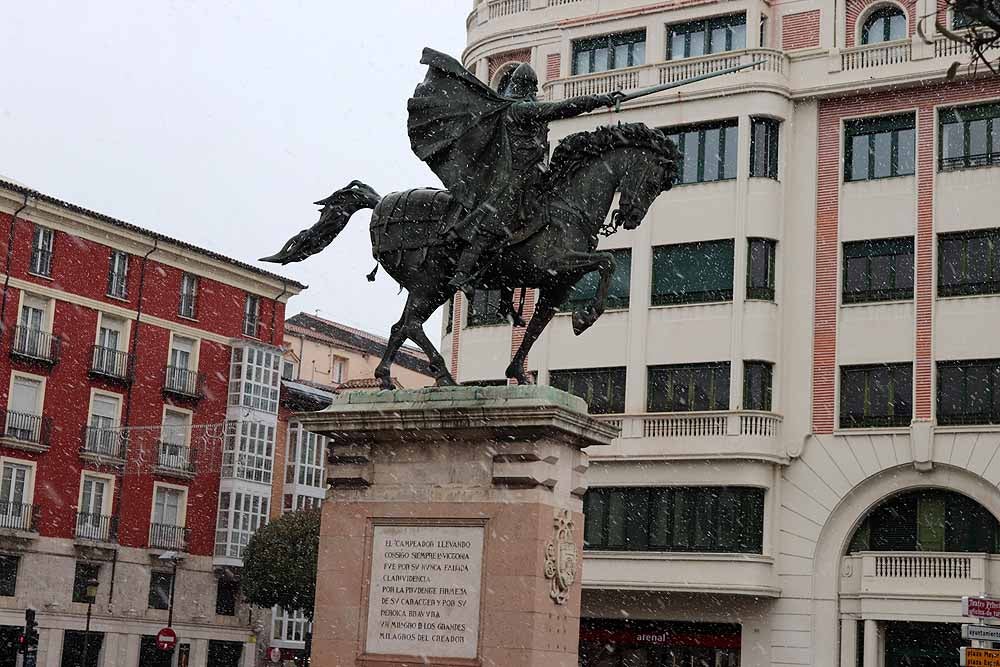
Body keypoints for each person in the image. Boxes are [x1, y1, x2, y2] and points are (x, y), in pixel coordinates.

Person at [407, 49, 622, 292]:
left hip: (534, 176)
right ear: (524, 88)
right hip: (512, 178)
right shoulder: (519, 110)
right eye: (531, 87)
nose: (533, 93)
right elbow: (562, 107)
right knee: (496, 218)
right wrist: (599, 100)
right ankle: (462, 273)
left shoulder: (528, 113)